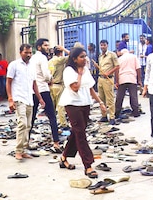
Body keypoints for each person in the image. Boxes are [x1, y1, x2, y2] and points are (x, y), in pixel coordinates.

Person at [58, 46, 106, 179]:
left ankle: (64, 157)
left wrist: (100, 102)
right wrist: (79, 74)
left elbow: (90, 88)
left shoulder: (86, 70)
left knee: (76, 132)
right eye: (82, 57)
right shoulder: (69, 71)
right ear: (74, 59)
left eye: (85, 56)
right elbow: (75, 88)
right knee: (81, 134)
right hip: (72, 104)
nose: (85, 59)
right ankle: (88, 165)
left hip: (85, 103)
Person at [6, 43, 45, 161]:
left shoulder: (32, 66)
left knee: (28, 125)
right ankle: (18, 150)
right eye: (26, 53)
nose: (28, 55)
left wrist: (40, 98)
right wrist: (10, 99)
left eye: (30, 53)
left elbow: (34, 84)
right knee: (22, 123)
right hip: (19, 98)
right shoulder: (14, 65)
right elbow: (8, 82)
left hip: (29, 99)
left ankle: (23, 150)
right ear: (20, 53)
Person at [31, 38, 61, 152]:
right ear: (39, 47)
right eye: (45, 45)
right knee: (52, 116)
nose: (47, 47)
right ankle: (56, 143)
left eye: (48, 45)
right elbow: (46, 75)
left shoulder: (32, 58)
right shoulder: (42, 58)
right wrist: (50, 79)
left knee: (32, 117)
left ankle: (26, 142)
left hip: (33, 90)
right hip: (43, 89)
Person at [97, 39, 120, 124]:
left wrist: (108, 73)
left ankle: (112, 117)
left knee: (109, 99)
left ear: (107, 45)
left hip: (108, 79)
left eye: (104, 45)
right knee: (101, 98)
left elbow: (117, 66)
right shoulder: (100, 56)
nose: (102, 47)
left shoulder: (112, 55)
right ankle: (104, 116)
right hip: (100, 79)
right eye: (101, 45)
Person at [115, 49, 142, 118]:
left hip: (122, 78)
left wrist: (117, 81)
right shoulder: (134, 57)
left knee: (120, 97)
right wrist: (139, 80)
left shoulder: (119, 59)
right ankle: (136, 112)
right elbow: (138, 69)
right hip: (132, 78)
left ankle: (117, 112)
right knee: (133, 96)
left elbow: (117, 71)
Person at [48, 45, 69, 128]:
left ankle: (53, 123)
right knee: (61, 106)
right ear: (60, 52)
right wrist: (64, 48)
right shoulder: (60, 60)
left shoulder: (50, 61)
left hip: (51, 85)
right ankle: (63, 123)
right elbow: (73, 55)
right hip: (59, 85)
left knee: (52, 107)